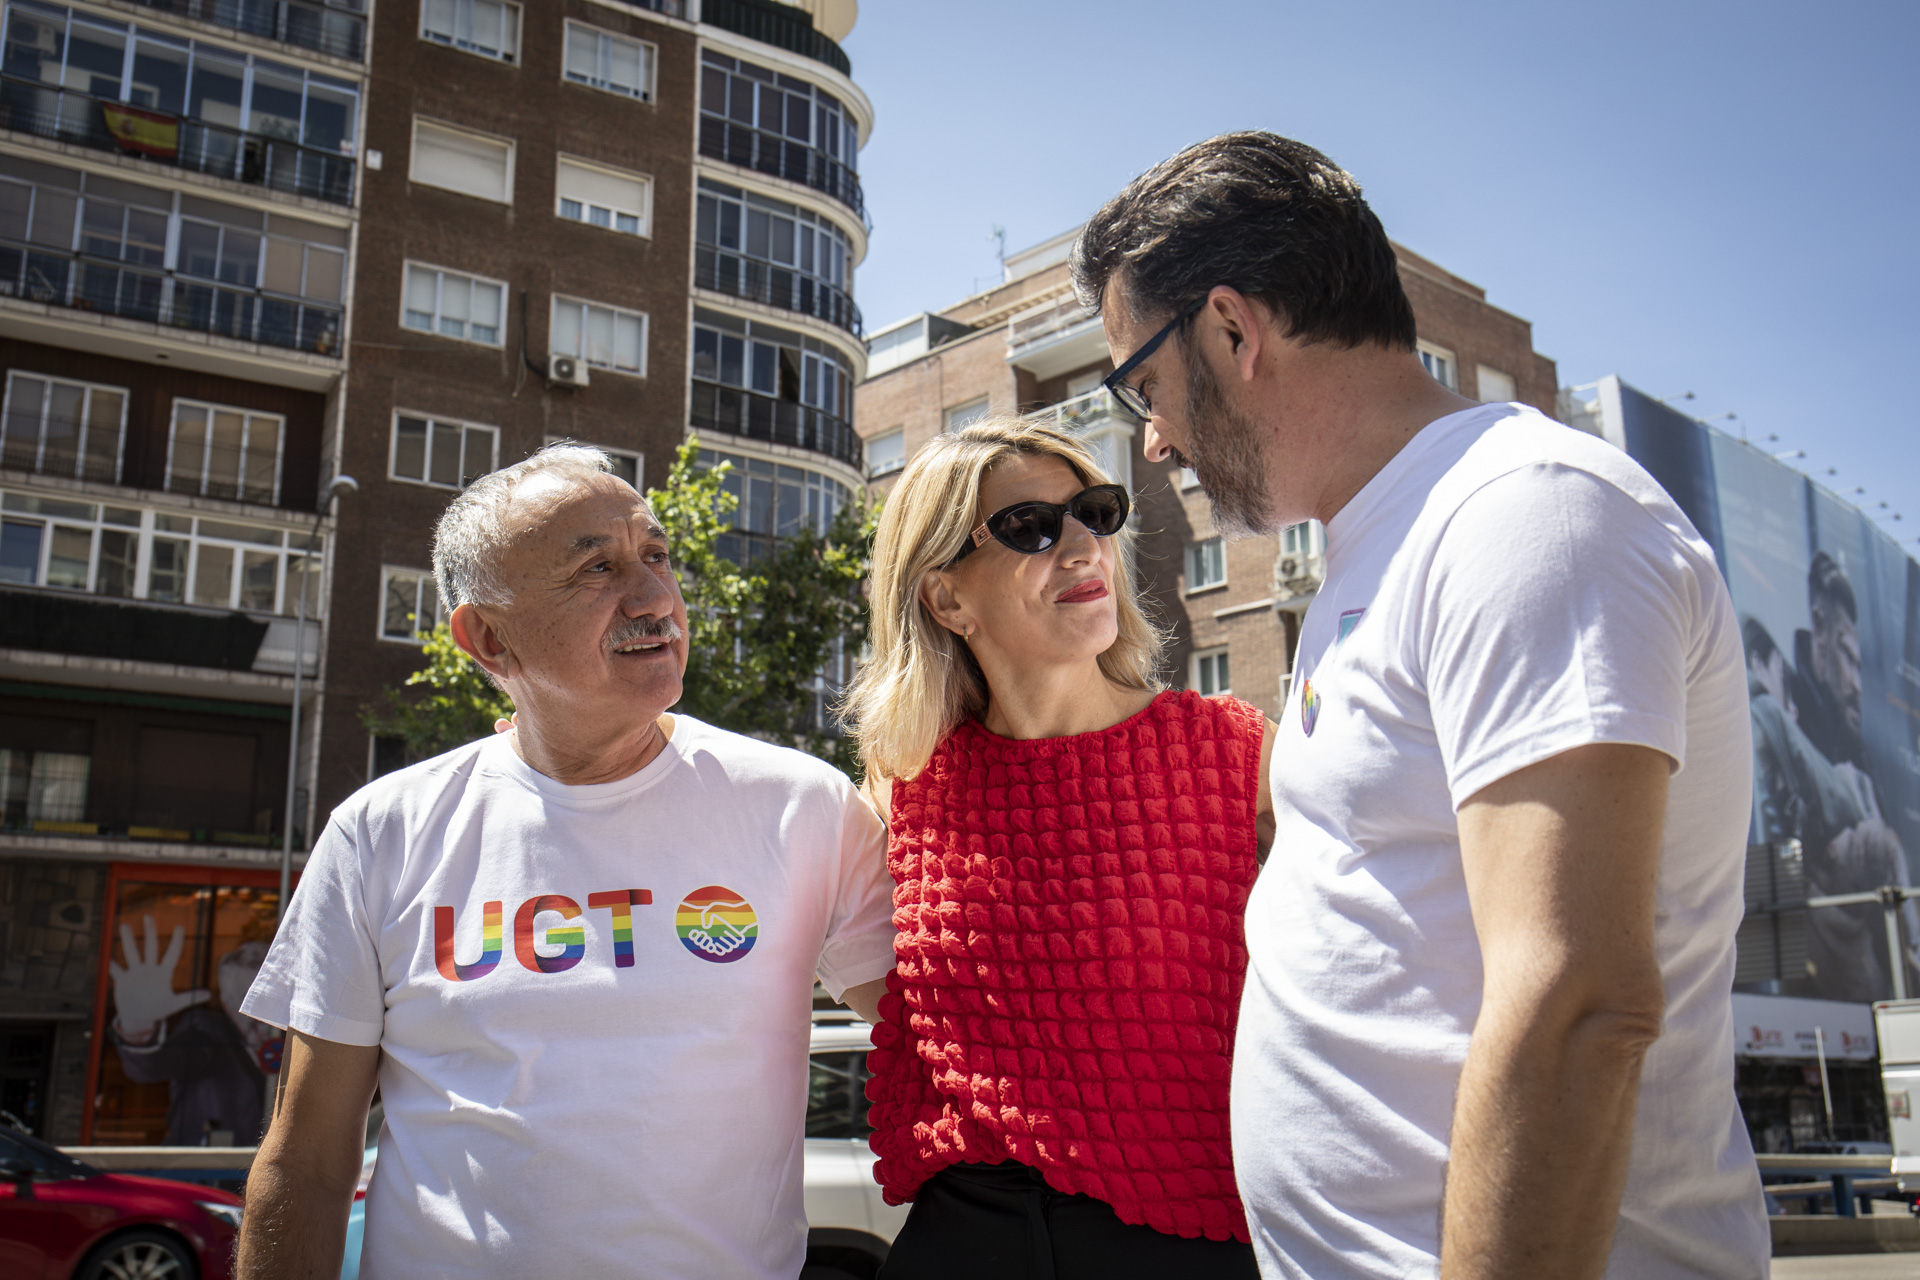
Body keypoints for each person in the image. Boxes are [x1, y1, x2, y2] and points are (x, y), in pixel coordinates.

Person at [1072, 131, 1768, 1278]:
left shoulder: (1527, 513)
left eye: (1141, 384)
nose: (1152, 435)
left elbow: (1579, 998)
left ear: (1234, 329)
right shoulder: (1373, 544)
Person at [234, 444, 898, 1279]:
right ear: (487, 637)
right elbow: (308, 1163)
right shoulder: (381, 833)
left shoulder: (802, 806)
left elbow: (949, 1049)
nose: (656, 598)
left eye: (656, 556)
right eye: (598, 569)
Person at [841, 418, 1272, 1279]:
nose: (1081, 547)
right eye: (1030, 528)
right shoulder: (897, 795)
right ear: (945, 598)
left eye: (1095, 513)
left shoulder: (1238, 757)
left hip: (1188, 1242)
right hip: (965, 1243)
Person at [108, 920, 276, 1146]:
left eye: (260, 1000)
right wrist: (138, 1028)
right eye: (241, 999)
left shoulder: (296, 1037)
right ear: (225, 999)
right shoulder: (206, 1029)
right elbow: (156, 1066)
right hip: (207, 1173)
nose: (253, 1016)